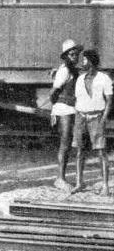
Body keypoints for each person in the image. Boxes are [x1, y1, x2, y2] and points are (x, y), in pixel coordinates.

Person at [71, 49, 112, 196]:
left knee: (101, 151)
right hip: (80, 117)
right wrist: (78, 118)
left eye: (84, 60)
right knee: (80, 151)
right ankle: (79, 182)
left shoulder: (104, 78)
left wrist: (103, 119)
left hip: (97, 118)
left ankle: (105, 185)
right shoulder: (80, 79)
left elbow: (109, 101)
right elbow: (77, 100)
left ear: (91, 61)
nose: (82, 62)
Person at [49, 39, 82, 191]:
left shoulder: (73, 70)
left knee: (68, 144)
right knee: (65, 143)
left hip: (70, 109)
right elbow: (54, 92)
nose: (75, 56)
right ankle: (60, 179)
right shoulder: (64, 70)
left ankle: (62, 177)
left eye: (77, 54)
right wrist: (54, 107)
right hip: (63, 110)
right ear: (66, 56)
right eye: (72, 54)